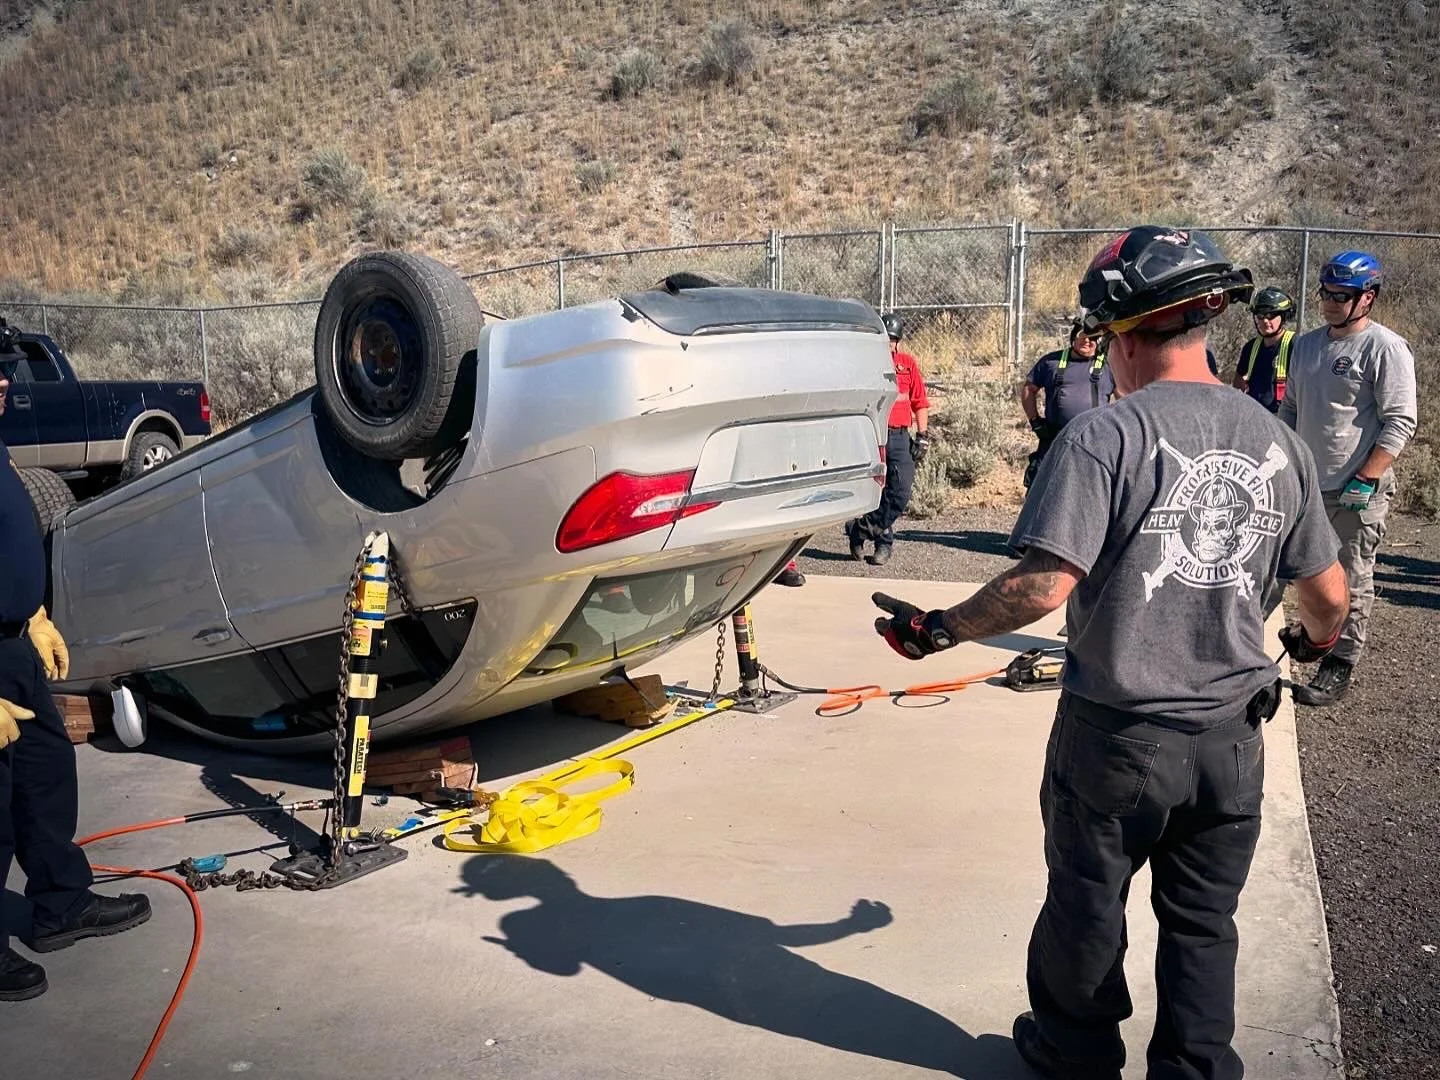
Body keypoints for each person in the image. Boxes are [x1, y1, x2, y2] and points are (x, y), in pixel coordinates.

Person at [868, 227, 1349, 1080]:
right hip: (1233, 740)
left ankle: (1076, 1057)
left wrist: (938, 629)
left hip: (1118, 738)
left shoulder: (1104, 437)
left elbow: (1041, 587)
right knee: (1204, 924)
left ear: (1124, 334)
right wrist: (1313, 642)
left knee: (1088, 909)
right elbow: (1329, 595)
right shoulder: (1278, 442)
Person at [0, 325, 151, 1003]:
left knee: (45, 775)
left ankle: (61, 904)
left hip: (13, 646)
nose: (5, 381)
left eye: (4, 369)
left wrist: (31, 613)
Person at [1275, 251, 1418, 706]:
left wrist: (1367, 477)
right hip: (1307, 486)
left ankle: (1340, 663)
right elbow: (1291, 408)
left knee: (1352, 578)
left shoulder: (1384, 348)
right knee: (1299, 571)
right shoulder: (1305, 346)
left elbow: (1400, 421)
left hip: (1355, 489)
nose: (1329, 303)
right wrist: (1280, 456)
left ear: (1367, 298)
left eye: (1341, 296)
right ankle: (1310, 635)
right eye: (1326, 293)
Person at [845, 312, 930, 566]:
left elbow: (920, 402)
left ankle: (861, 529)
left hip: (899, 436)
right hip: (873, 436)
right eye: (886, 339)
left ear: (898, 341)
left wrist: (922, 435)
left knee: (900, 492)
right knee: (875, 491)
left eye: (893, 339)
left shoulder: (907, 364)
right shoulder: (866, 365)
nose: (889, 344)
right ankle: (884, 543)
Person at [1021, 320, 1115, 489]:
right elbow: (1029, 388)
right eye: (1081, 335)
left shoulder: (1110, 366)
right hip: (1055, 439)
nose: (1086, 340)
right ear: (1073, 338)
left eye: (1092, 337)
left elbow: (1127, 397)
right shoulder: (1051, 362)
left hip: (1094, 441)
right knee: (1043, 489)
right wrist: (1035, 422)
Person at [1231, 286, 1297, 412]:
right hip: (1254, 414)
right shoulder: (1250, 347)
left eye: (1270, 315)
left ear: (1283, 316)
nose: (1265, 320)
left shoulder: (1295, 345)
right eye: (1260, 315)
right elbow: (1238, 378)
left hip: (1283, 415)